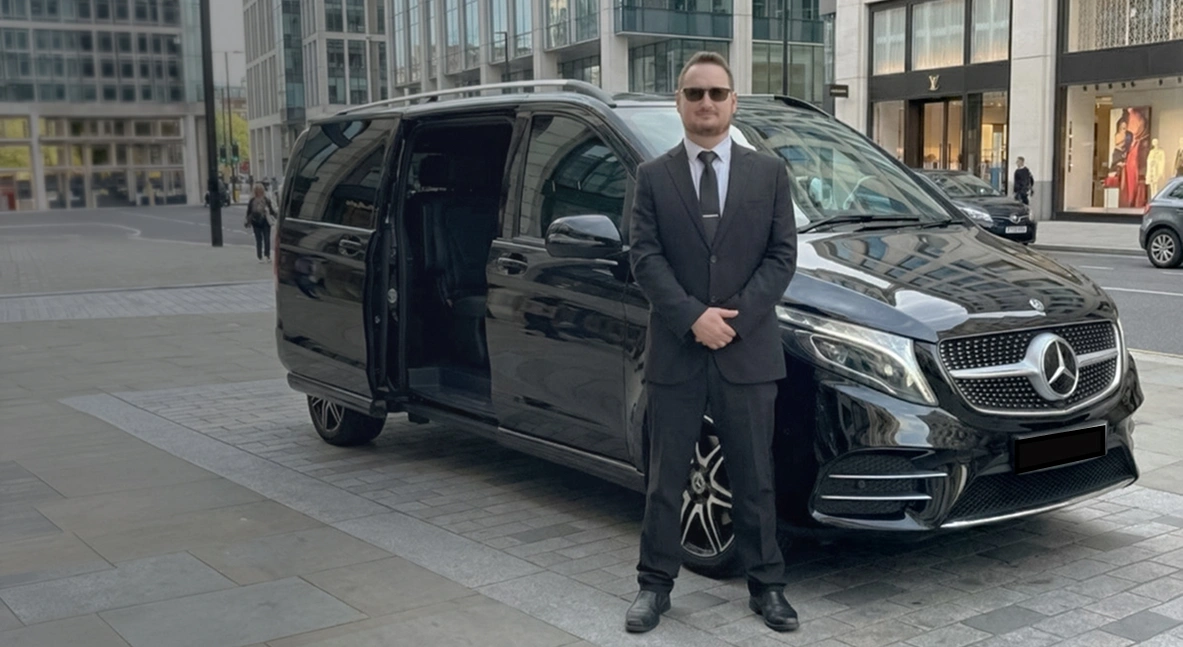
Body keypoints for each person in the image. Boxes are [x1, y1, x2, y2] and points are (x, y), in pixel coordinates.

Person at [625, 51, 798, 634]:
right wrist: (692, 317)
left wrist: (735, 320)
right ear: (679, 102)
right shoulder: (652, 177)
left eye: (716, 93)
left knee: (755, 479)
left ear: (733, 102)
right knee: (665, 479)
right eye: (694, 94)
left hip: (747, 354)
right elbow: (643, 258)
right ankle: (654, 587)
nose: (706, 104)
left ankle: (767, 587)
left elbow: (782, 257)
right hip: (677, 352)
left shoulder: (768, 174)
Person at [245, 183, 277, 262]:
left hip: (265, 221)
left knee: (265, 239)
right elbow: (249, 212)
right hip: (256, 222)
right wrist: (248, 220)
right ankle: (260, 256)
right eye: (258, 190)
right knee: (259, 239)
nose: (259, 192)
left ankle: (266, 255)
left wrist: (275, 216)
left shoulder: (266, 200)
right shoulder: (252, 201)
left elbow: (271, 210)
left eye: (260, 190)